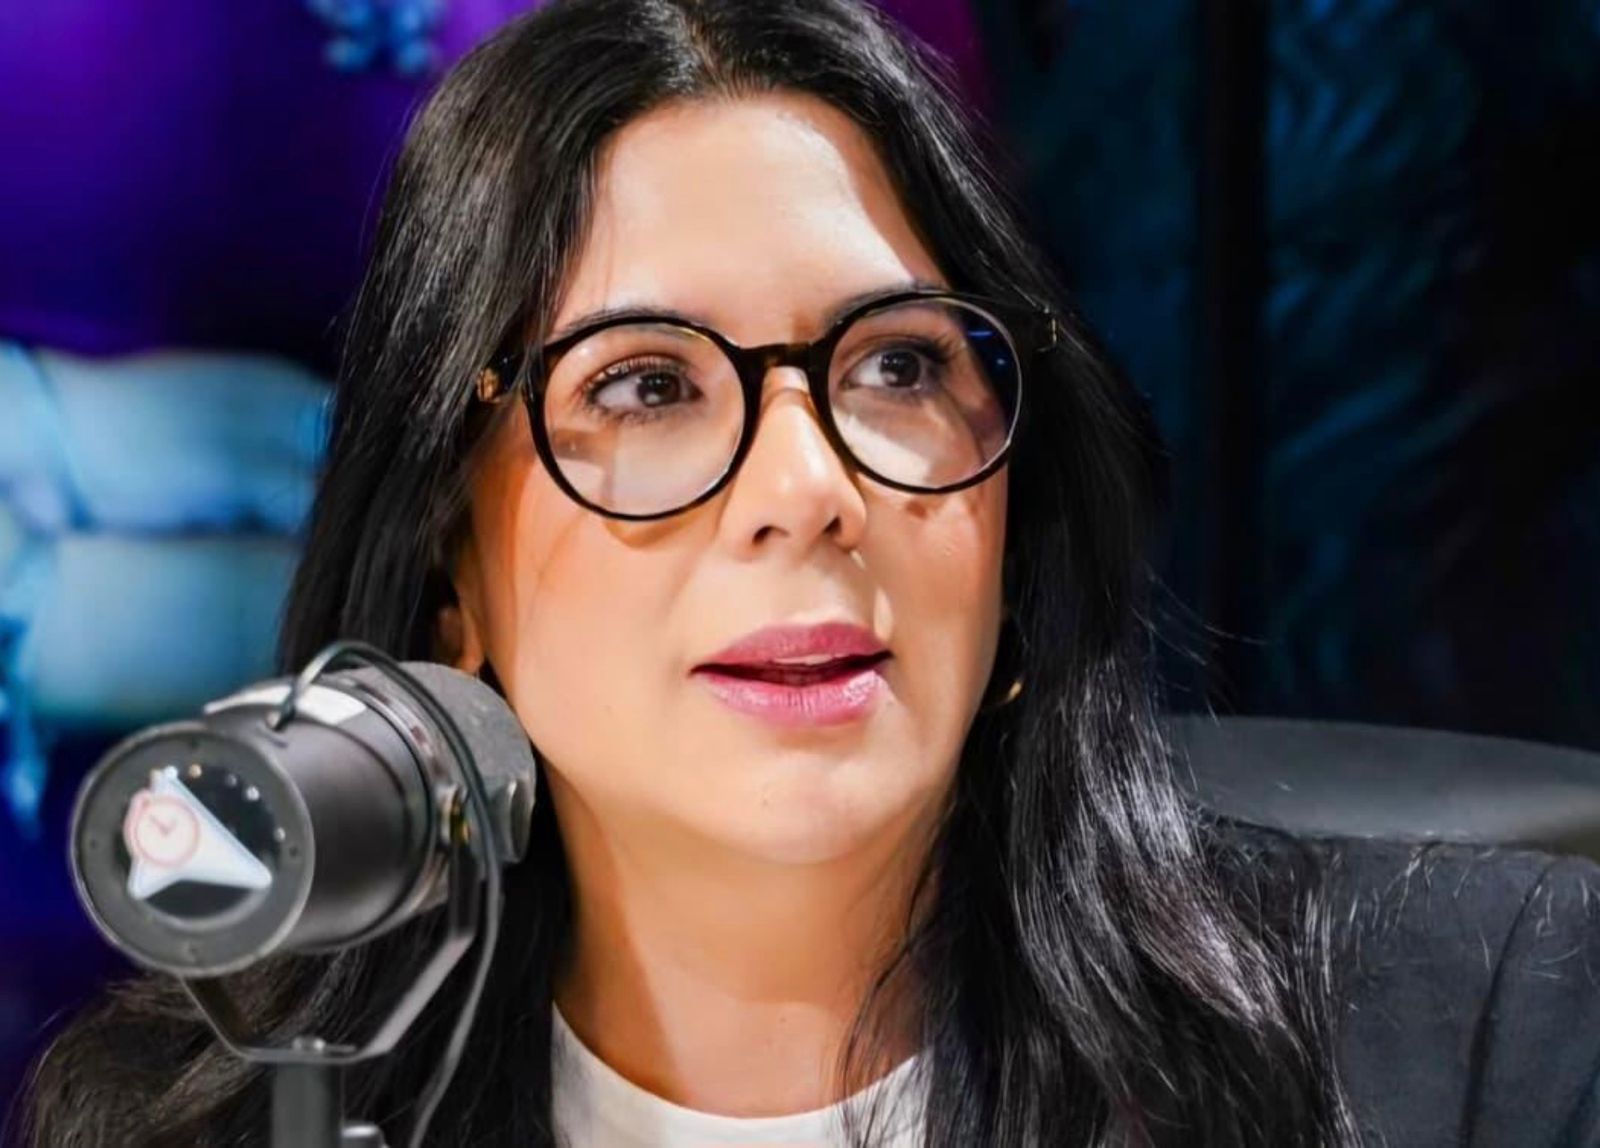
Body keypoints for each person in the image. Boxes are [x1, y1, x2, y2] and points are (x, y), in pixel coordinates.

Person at [20, 1, 1600, 1145]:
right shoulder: (209, 1124)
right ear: (453, 575)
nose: (806, 492)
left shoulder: (1495, 1036)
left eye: (899, 366)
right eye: (646, 386)